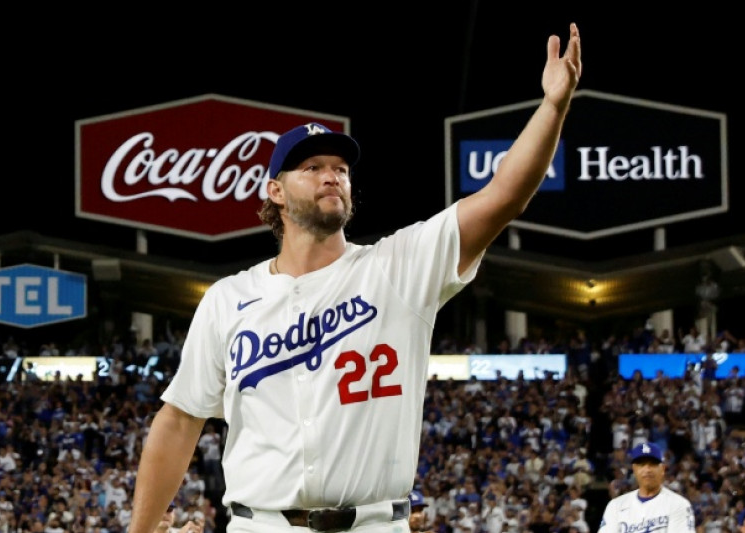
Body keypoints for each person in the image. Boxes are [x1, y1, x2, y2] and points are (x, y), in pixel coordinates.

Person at [127, 22, 582, 533]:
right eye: (313, 167)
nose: (332, 176)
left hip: (373, 524)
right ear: (275, 191)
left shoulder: (397, 267)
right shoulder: (228, 298)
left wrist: (552, 107)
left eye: (341, 169)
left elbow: (502, 197)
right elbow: (179, 420)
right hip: (261, 524)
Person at [597, 443, 696, 533]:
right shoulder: (615, 506)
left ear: (662, 469)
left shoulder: (679, 504)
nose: (647, 469)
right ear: (634, 470)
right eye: (642, 465)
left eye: (652, 464)